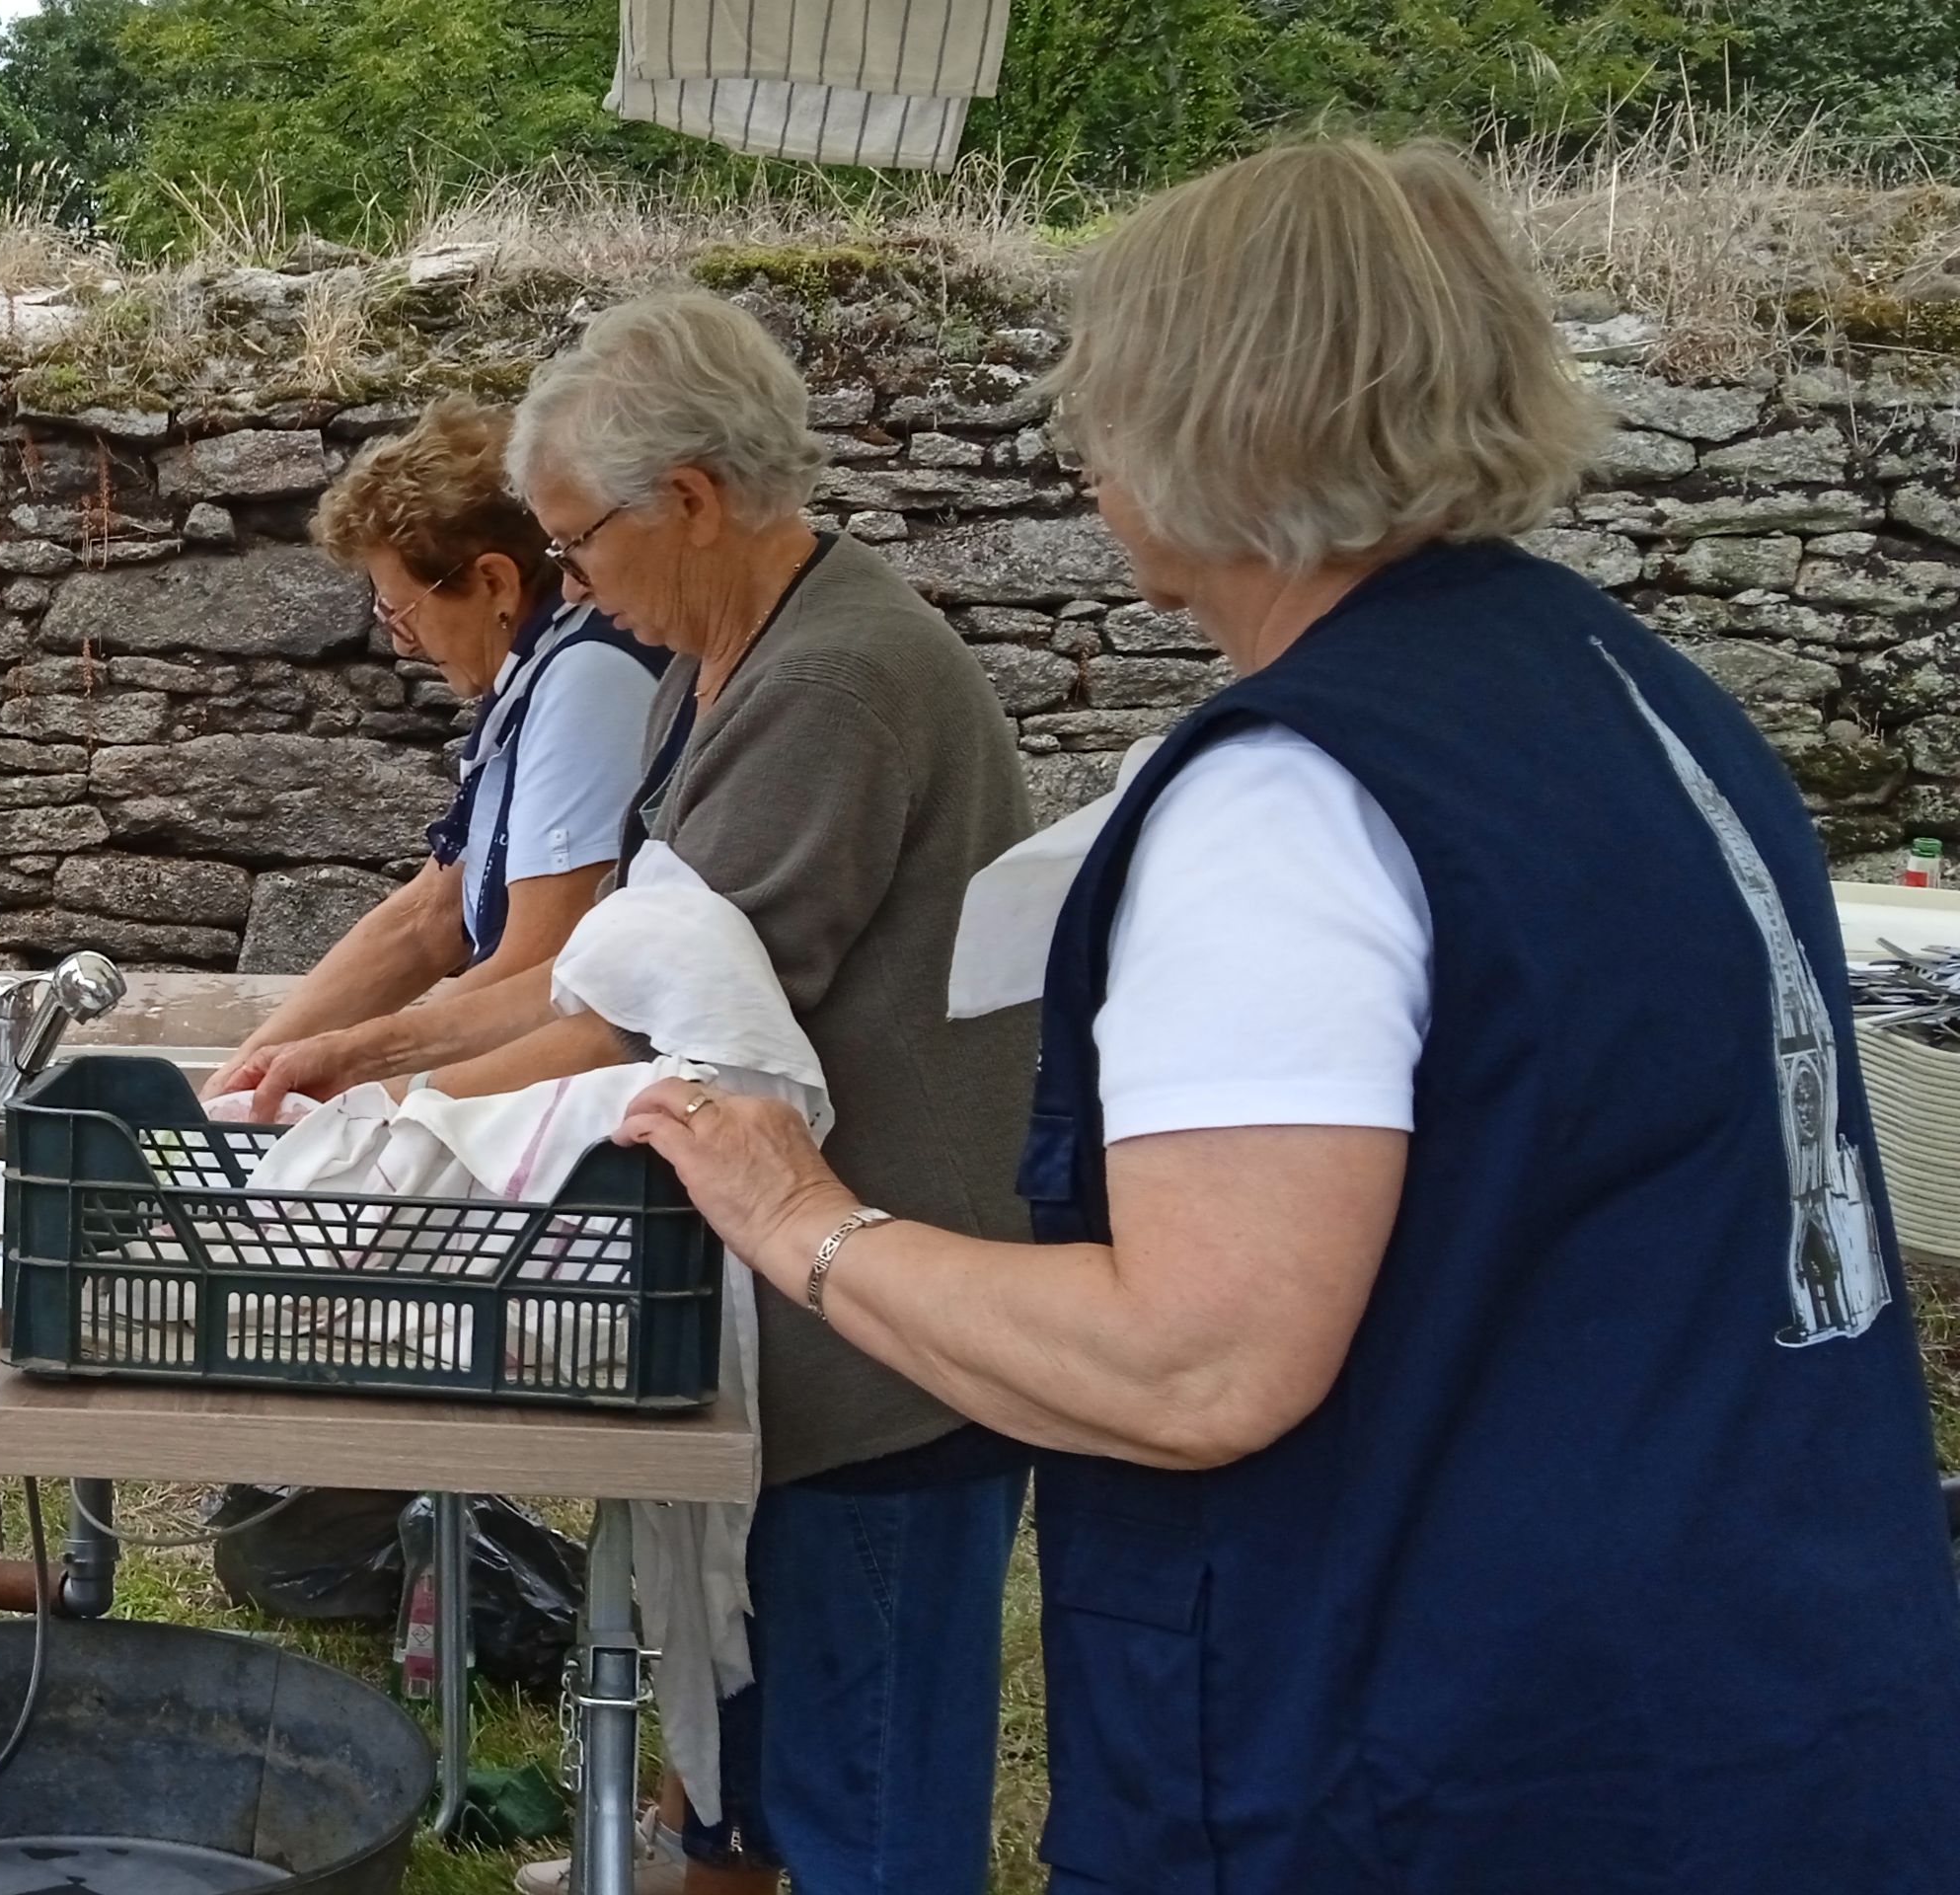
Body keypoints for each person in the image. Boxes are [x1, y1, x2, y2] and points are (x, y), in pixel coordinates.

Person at [620, 141, 1960, 1889]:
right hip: (1752, 1689)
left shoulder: (1298, 803)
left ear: (1198, 416)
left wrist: (801, 1218)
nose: (1082, 451)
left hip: (1446, 1757)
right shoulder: (1637, 695)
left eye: (1099, 400)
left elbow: (1198, 1363)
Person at [229, 292, 1037, 1895]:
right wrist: (364, 1054)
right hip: (794, 1316)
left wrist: (394, 1115)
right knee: (759, 1755)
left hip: (885, 1353)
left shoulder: (834, 685)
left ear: (690, 499)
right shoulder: (719, 664)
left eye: (579, 545)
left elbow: (626, 1025)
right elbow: (602, 968)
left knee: (870, 1811)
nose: (570, 586)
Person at [204, 395, 659, 1097]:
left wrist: (355, 1085)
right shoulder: (538, 669)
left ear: (494, 582)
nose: (397, 640)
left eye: (401, 609)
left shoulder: (589, 682)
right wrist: (244, 1076)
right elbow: (429, 918)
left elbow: (540, 966)